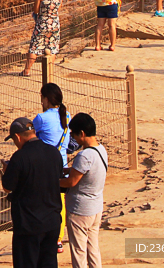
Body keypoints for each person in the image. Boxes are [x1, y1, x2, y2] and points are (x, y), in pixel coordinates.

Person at [2, 116, 65, 268]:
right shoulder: (54, 152)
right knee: (49, 263)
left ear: (17, 136)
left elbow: (8, 186)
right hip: (52, 222)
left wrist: (6, 170)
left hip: (28, 225)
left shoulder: (19, 157)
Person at [59, 113, 107, 268]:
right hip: (95, 208)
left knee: (79, 252)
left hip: (80, 210)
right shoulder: (101, 150)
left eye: (73, 134)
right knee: (93, 248)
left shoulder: (84, 156)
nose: (73, 138)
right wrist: (68, 170)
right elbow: (84, 172)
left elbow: (71, 182)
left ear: (82, 133)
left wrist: (53, 181)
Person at [34, 83, 70, 254]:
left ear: (46, 99)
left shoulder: (41, 118)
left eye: (42, 97)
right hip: (62, 164)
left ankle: (43, 235)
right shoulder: (67, 116)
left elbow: (32, 137)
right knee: (59, 203)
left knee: (42, 201)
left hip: (45, 165)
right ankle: (58, 239)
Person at [23, 0, 62, 76]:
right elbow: (59, 8)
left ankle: (26, 71)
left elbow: (35, 10)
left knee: (35, 47)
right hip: (54, 24)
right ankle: (49, 71)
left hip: (42, 24)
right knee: (52, 47)